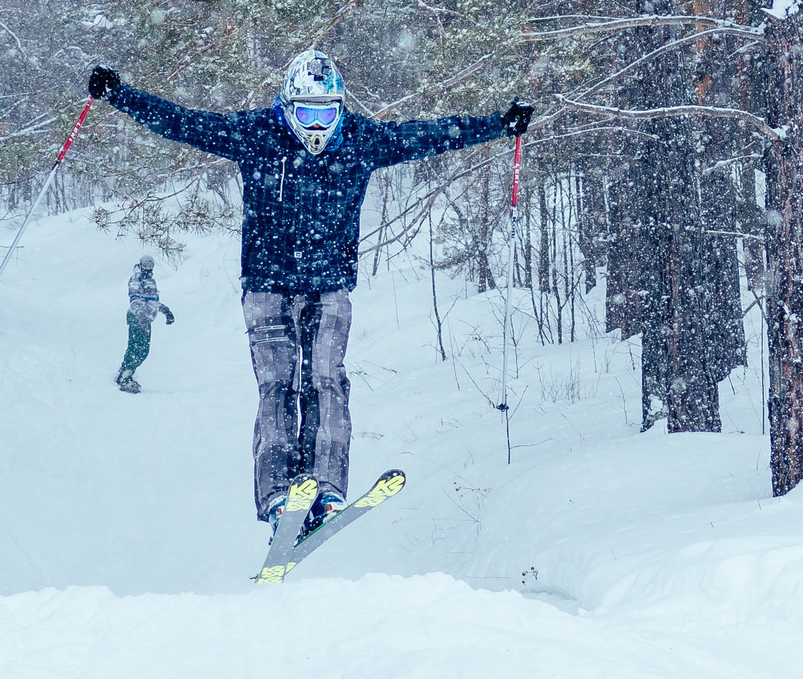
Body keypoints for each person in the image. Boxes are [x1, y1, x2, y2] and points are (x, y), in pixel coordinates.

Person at [87, 48, 533, 540]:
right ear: (287, 105)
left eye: (326, 113)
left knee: (325, 378)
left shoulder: (361, 140)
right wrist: (121, 97)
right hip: (267, 285)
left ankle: (326, 486)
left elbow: (427, 135)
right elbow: (186, 124)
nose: (316, 126)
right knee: (278, 383)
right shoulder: (257, 134)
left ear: (340, 109)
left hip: (329, 286)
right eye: (306, 112)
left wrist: (498, 125)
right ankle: (279, 492)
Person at [115, 255, 175, 392]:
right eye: (145, 264)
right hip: (137, 318)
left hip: (146, 320)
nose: (148, 267)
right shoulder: (137, 278)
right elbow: (134, 297)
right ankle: (125, 376)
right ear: (141, 264)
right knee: (135, 348)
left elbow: (153, 302)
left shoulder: (151, 281)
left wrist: (165, 311)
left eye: (150, 264)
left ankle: (126, 371)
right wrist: (140, 312)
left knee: (143, 351)